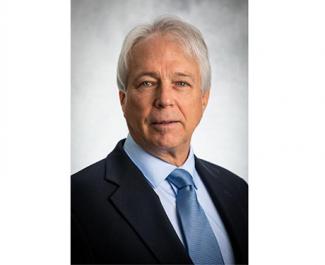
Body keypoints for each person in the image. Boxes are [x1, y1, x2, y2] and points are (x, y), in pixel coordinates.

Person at [71, 16, 248, 265]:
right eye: (147, 83)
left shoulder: (238, 191)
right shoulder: (75, 202)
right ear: (123, 99)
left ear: (204, 98)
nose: (164, 99)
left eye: (181, 83)